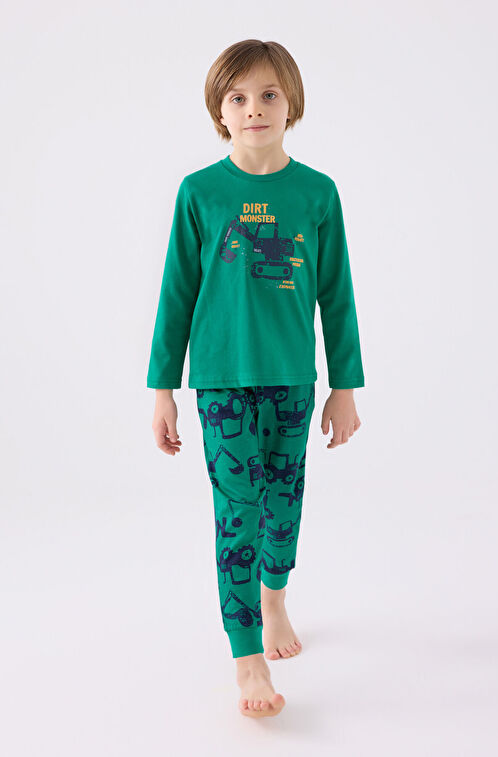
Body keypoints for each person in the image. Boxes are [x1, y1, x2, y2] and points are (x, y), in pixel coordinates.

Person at [146, 39, 365, 718]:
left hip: (293, 381)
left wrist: (345, 386)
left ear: (290, 102)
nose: (253, 109)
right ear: (219, 110)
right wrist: (162, 389)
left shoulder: (317, 193)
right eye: (237, 97)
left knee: (284, 504)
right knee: (236, 512)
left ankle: (275, 596)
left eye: (268, 94)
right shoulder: (199, 192)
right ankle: (246, 657)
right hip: (221, 383)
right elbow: (176, 293)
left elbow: (337, 294)